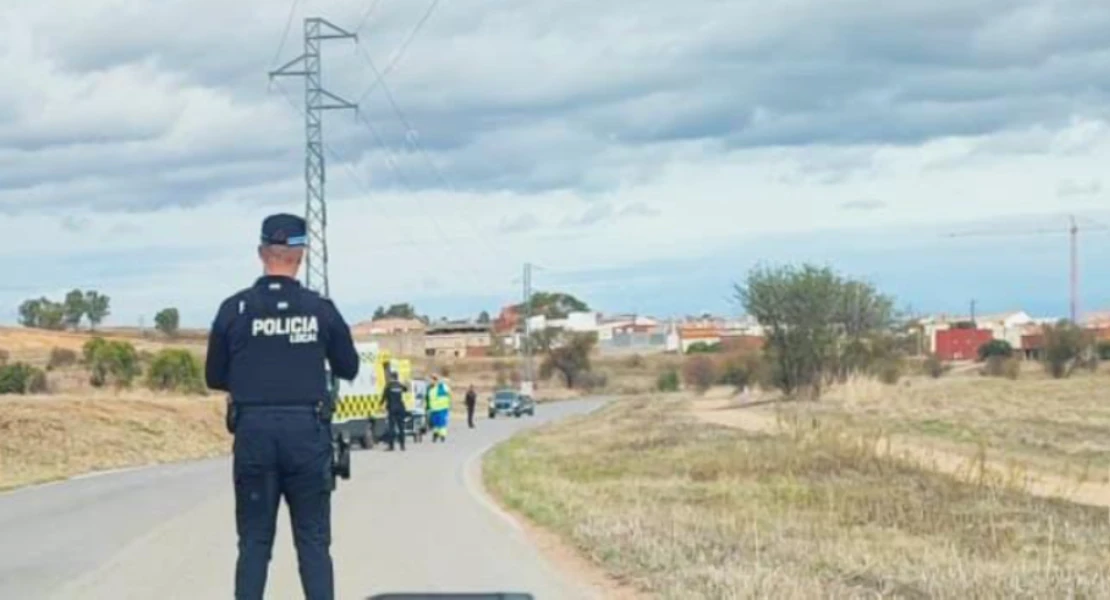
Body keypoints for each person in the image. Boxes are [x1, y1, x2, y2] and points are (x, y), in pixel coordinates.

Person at [205, 212, 359, 600]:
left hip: (254, 434)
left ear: (261, 253)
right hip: (306, 436)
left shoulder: (233, 309)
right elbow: (349, 366)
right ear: (302, 255)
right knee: (313, 543)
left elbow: (214, 375)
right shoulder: (320, 309)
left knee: (254, 543)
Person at [383, 370, 409, 451]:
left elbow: (384, 396)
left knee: (392, 428)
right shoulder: (400, 385)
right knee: (401, 427)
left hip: (392, 409)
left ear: (391, 377)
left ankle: (391, 446)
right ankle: (402, 446)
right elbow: (406, 389)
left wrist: (380, 405)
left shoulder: (388, 386)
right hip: (400, 408)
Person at [427, 374, 452, 442]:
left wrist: (449, 405)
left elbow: (449, 394)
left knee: (441, 423)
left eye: (432, 380)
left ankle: (442, 436)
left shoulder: (442, 387)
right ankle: (436, 434)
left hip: (442, 409)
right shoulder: (431, 389)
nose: (430, 381)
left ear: (435, 380)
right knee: (435, 423)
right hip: (434, 409)